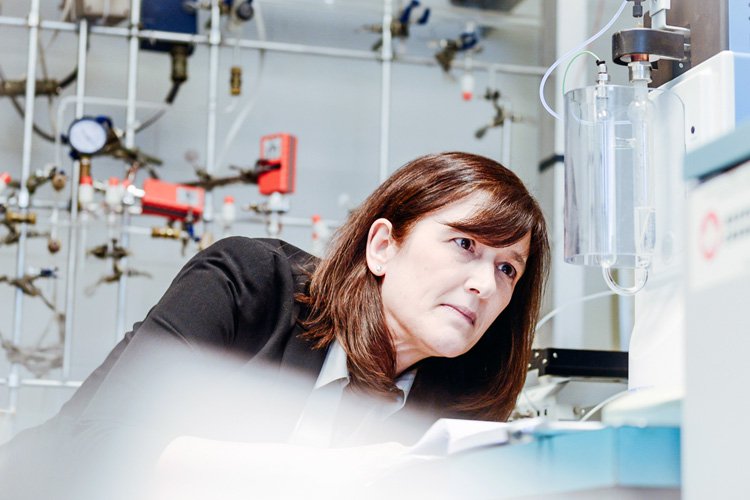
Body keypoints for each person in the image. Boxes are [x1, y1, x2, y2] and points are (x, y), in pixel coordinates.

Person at [0, 151, 549, 499]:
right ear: (383, 246)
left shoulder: (457, 403)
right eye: (464, 244)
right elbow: (100, 452)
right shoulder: (251, 284)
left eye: (507, 268)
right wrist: (341, 473)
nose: (485, 284)